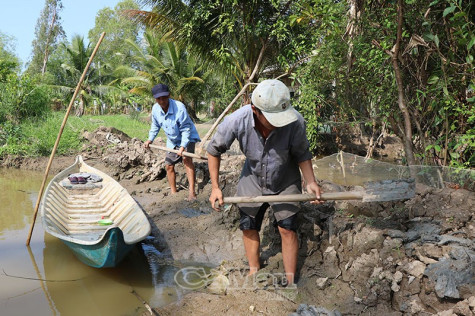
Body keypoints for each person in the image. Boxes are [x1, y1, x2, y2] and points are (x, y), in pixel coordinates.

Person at [207, 79, 322, 285]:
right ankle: (254, 269)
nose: (279, 123)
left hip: (285, 177)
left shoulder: (295, 121)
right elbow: (214, 150)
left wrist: (311, 181)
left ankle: (290, 278)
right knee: (249, 225)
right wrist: (215, 187)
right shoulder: (237, 120)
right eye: (272, 118)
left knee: (287, 228)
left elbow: (302, 153)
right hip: (252, 177)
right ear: (255, 110)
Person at [144, 83, 201, 201]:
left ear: (169, 95)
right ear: (155, 99)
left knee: (187, 160)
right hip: (172, 140)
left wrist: (183, 146)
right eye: (159, 99)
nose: (162, 101)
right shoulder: (155, 109)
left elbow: (186, 129)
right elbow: (155, 125)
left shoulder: (179, 107)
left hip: (187, 137)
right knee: (169, 165)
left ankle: (192, 192)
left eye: (164, 98)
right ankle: (173, 192)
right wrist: (150, 139)